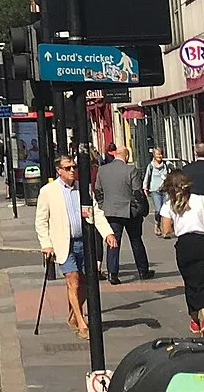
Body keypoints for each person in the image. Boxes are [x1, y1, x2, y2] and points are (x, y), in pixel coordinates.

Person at [158, 171, 204, 337]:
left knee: (190, 284)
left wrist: (176, 226)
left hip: (184, 246)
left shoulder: (168, 205)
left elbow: (166, 231)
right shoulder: (200, 199)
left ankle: (195, 321)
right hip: (202, 243)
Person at [35, 152, 90, 338]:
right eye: (68, 168)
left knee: (84, 283)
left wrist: (106, 233)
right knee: (72, 280)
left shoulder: (82, 189)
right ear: (59, 171)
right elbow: (41, 221)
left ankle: (72, 316)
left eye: (74, 167)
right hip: (63, 244)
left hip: (83, 242)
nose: (73, 170)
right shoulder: (48, 191)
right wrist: (46, 245)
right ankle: (82, 322)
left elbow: (93, 211)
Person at [94, 145, 152, 283]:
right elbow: (138, 192)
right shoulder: (131, 170)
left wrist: (103, 205)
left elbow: (98, 191)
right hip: (130, 211)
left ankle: (112, 273)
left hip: (111, 211)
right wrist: (139, 209)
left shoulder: (102, 170)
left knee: (113, 242)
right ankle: (143, 271)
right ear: (126, 156)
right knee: (136, 240)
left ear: (115, 155)